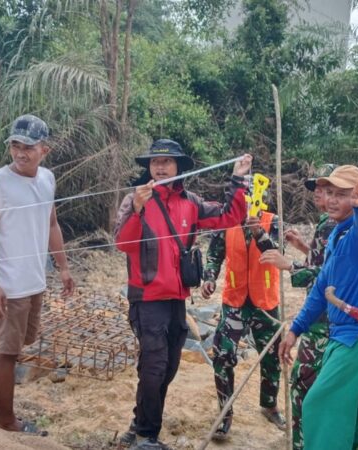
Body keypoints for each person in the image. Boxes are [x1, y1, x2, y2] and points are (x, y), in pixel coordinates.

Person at [114, 139, 252, 450]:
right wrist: (137, 209)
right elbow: (122, 243)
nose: (160, 167)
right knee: (153, 366)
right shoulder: (135, 200)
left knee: (170, 367)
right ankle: (146, 436)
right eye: (155, 162)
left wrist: (238, 179)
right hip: (146, 299)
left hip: (177, 299)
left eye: (167, 161)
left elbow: (230, 217)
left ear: (179, 167)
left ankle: (139, 425)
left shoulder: (191, 202)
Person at [278, 165, 358, 450]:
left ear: (356, 198)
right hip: (351, 340)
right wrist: (295, 329)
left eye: (341, 194)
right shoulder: (338, 238)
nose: (331, 200)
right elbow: (320, 290)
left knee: (318, 405)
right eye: (329, 192)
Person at [0, 114, 75, 435]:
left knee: (22, 341)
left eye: (28, 147)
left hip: (34, 280)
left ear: (44, 149)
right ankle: (6, 420)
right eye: (15, 146)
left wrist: (63, 267)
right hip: (8, 284)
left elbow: (51, 224)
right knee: (7, 351)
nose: (20, 152)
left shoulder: (47, 178)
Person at [260, 164, 337, 450]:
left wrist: (288, 265)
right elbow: (323, 261)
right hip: (319, 318)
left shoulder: (334, 224)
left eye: (327, 188)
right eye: (316, 188)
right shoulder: (328, 221)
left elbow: (328, 277)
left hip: (323, 321)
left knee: (302, 386)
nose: (319, 193)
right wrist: (303, 247)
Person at [201, 199, 285, 441]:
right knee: (223, 355)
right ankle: (224, 414)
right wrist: (209, 278)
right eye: (242, 199)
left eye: (252, 199)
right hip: (235, 302)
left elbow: (278, 254)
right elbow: (214, 256)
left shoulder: (272, 221)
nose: (248, 205)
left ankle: (269, 405)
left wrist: (259, 232)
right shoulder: (226, 222)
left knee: (272, 356)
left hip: (265, 303)